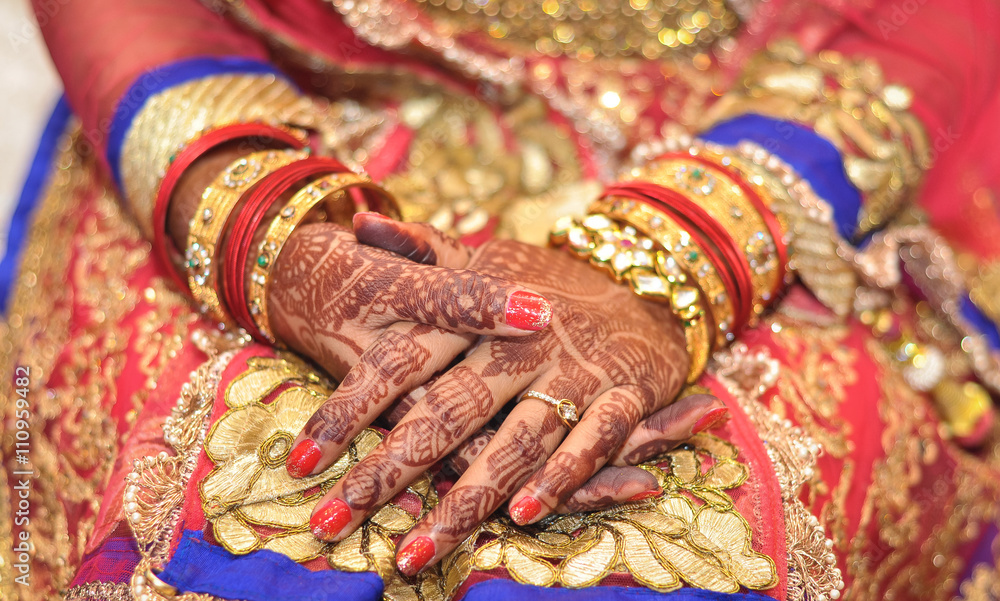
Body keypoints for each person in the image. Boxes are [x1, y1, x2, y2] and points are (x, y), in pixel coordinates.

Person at [2, 0, 1000, 599]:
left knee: (698, 524)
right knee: (243, 502)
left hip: (757, 118)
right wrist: (266, 231)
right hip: (285, 87)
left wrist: (666, 258)